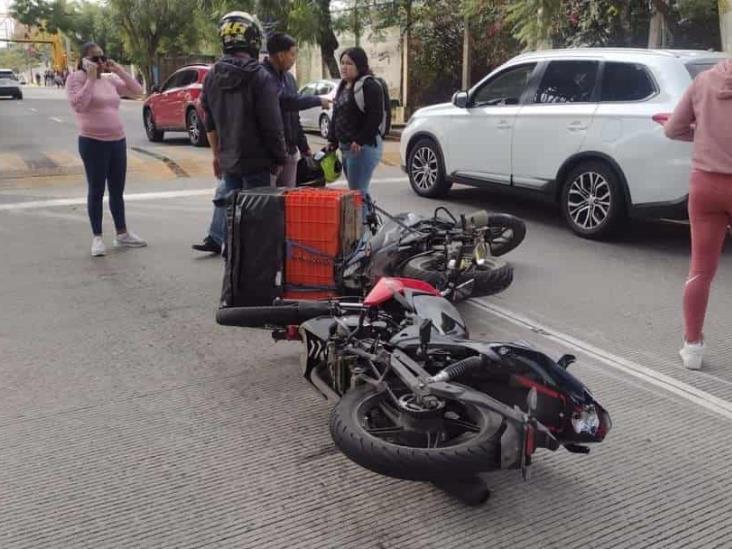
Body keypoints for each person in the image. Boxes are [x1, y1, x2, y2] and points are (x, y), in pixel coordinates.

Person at [192, 11, 287, 255]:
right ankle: (253, 280)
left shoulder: (212, 76)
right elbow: (272, 126)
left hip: (230, 163)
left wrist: (217, 156)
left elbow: (208, 120)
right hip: (257, 165)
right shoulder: (260, 76)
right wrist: (280, 158)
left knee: (233, 221)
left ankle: (232, 268)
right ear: (253, 38)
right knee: (257, 227)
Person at [665, 59, 732, 370]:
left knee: (701, 271)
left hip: (705, 184)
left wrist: (700, 132)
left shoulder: (704, 81)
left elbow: (673, 129)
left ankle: (692, 348)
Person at [66, 42, 147, 257]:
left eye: (103, 57)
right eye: (95, 59)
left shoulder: (110, 80)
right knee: (96, 190)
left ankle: (122, 234)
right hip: (92, 142)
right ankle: (97, 237)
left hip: (117, 141)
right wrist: (91, 79)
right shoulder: (75, 79)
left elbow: (138, 91)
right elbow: (78, 105)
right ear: (83, 61)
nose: (100, 62)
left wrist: (118, 69)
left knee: (117, 190)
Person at [262, 32, 332, 187]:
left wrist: (303, 146)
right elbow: (286, 102)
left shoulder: (289, 79)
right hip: (269, 154)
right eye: (292, 54)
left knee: (289, 200)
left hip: (290, 151)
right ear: (281, 55)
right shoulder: (263, 77)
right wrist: (318, 100)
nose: (294, 59)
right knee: (268, 203)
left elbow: (294, 115)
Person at [326, 47, 384, 213]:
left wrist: (360, 140)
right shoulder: (344, 85)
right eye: (342, 63)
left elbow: (375, 118)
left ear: (360, 65)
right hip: (346, 147)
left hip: (362, 148)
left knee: (358, 193)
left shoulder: (369, 86)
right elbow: (337, 114)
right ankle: (368, 225)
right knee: (357, 192)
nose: (344, 67)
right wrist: (332, 139)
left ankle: (363, 232)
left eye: (349, 63)